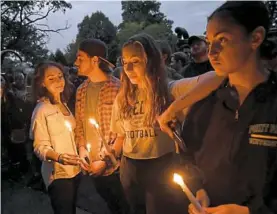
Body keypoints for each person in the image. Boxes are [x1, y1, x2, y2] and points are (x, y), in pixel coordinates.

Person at [158, 2, 277, 214]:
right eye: (209, 41)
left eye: (222, 40)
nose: (212, 51)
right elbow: (188, 160)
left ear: (255, 38)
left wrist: (252, 211)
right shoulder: (204, 105)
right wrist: (198, 190)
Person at [109, 33, 221, 214]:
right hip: (129, 168)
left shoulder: (170, 90)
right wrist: (111, 152)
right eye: (124, 61)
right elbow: (121, 135)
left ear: (151, 61)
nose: (128, 68)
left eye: (136, 61)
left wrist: (171, 110)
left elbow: (217, 77)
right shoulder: (123, 98)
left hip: (162, 167)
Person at [74, 38, 129, 214]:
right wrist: (82, 149)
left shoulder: (118, 89)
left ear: (95, 60)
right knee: (110, 204)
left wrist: (105, 160)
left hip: (115, 167)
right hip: (92, 165)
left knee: (125, 206)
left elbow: (125, 131)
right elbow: (80, 125)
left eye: (80, 58)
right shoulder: (81, 90)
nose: (76, 62)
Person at [30, 61, 81, 214]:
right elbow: (40, 147)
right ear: (42, 83)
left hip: (76, 170)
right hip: (58, 175)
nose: (58, 81)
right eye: (51, 78)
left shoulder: (64, 104)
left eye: (60, 76)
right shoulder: (41, 110)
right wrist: (59, 157)